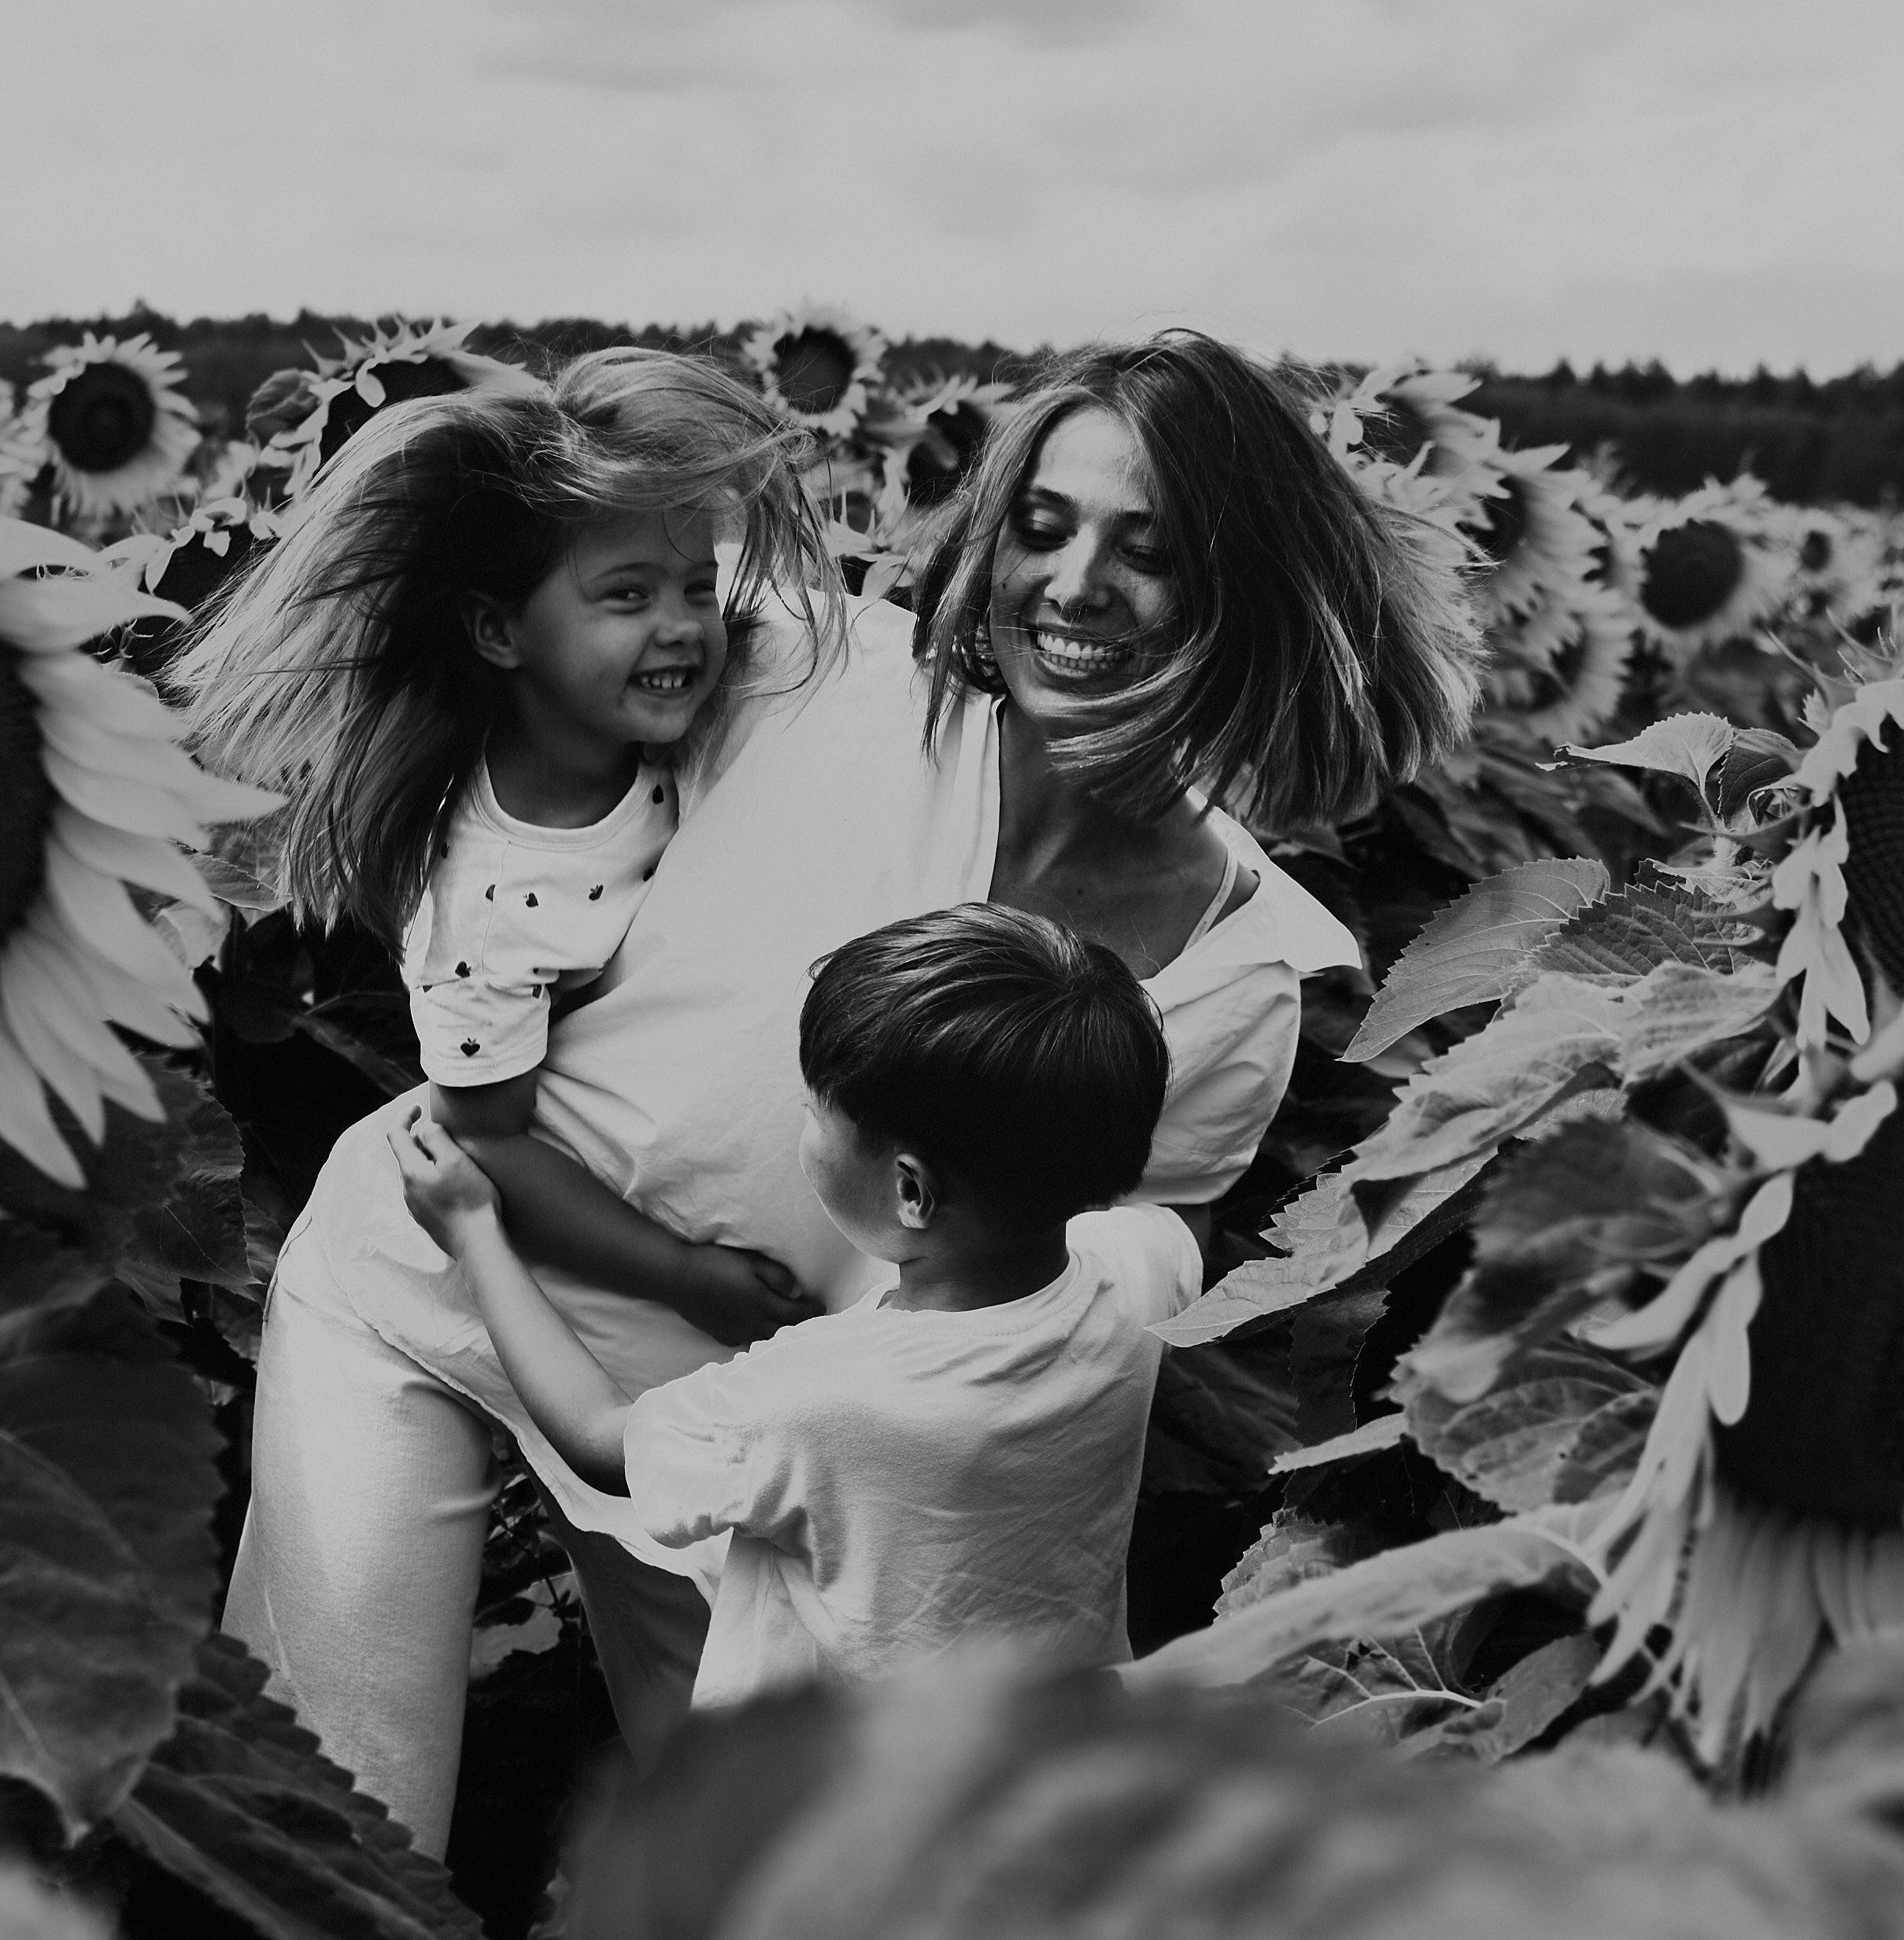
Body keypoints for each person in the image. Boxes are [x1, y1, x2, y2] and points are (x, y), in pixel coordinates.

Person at [217, 331, 1476, 1855]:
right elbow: (563, 569)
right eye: (1041, 524)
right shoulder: (827, 675)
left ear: (1246, 593)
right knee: (342, 1851)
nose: (1072, 585)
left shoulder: (1224, 990)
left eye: (1146, 550)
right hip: (424, 1281)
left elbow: (1030, 1344)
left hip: (750, 1456)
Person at [180, 341, 847, 1338]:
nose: (682, 627)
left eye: (694, 589)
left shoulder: (662, 717)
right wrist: (683, 1274)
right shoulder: (494, 901)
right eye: (628, 596)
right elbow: (486, 1140)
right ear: (498, 634)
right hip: (480, 1308)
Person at [394, 907, 1181, 1710]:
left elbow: (603, 1442)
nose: (801, 1124)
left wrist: (473, 1230)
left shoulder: (821, 1399)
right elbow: (1151, 1228)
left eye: (813, 1113)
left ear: (911, 1191)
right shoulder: (1147, 1268)